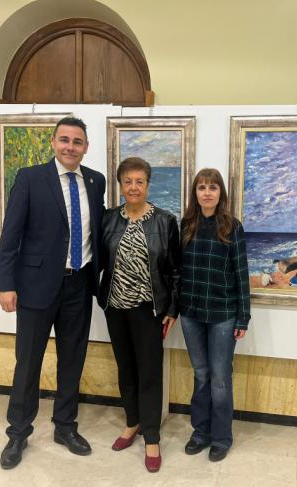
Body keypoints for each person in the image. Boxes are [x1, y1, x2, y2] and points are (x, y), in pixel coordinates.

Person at [0, 117, 106, 469]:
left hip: (79, 284)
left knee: (72, 360)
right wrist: (6, 283)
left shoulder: (95, 181)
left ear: (86, 147)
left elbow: (97, 232)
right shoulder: (30, 178)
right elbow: (11, 234)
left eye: (77, 141)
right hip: (36, 286)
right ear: (53, 143)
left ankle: (65, 426)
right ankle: (18, 432)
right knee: (28, 362)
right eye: (64, 140)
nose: (70, 146)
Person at [98, 157, 180, 473]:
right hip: (116, 309)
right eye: (128, 181)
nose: (134, 187)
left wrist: (172, 308)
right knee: (126, 369)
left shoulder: (164, 221)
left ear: (148, 184)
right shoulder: (108, 220)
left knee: (149, 373)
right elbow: (99, 262)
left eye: (140, 181)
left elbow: (175, 271)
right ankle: (132, 423)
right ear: (120, 185)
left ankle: (152, 437)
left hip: (149, 311)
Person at [179, 168, 250, 462]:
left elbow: (242, 274)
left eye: (213, 187)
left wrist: (243, 316)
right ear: (195, 193)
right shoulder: (185, 226)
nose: (207, 192)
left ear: (221, 193)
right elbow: (176, 271)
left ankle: (221, 437)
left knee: (220, 378)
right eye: (201, 187)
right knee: (201, 374)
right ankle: (201, 431)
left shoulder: (232, 227)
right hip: (191, 313)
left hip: (223, 314)